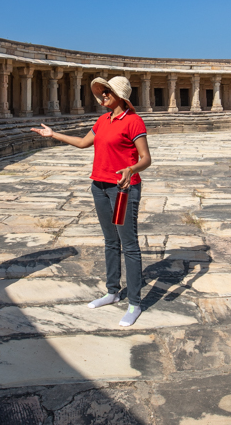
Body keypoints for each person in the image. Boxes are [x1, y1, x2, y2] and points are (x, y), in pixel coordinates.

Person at [31, 75, 152, 326]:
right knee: (110, 240)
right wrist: (54, 134)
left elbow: (145, 158)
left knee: (128, 243)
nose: (103, 96)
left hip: (122, 191)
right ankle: (111, 291)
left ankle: (134, 303)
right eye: (103, 92)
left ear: (121, 97)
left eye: (108, 93)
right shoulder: (102, 120)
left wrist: (131, 170)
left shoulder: (133, 121)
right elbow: (84, 143)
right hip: (99, 186)